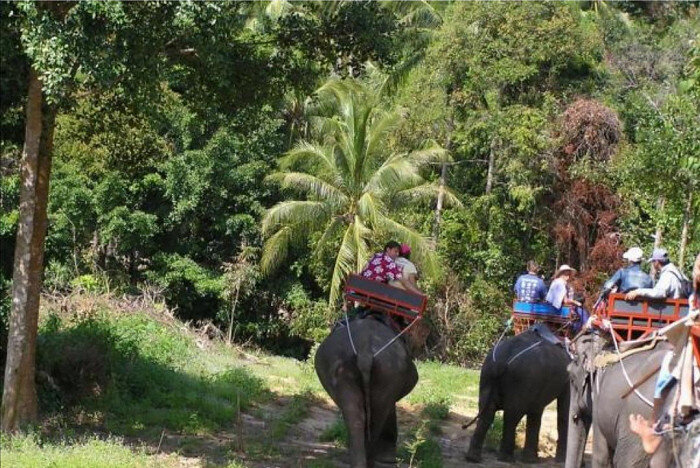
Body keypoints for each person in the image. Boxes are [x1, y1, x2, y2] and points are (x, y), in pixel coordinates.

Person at [629, 252, 700, 455]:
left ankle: (655, 423)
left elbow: (659, 293)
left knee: (670, 364)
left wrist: (639, 292)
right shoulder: (681, 279)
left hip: (687, 339)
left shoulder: (671, 277)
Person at [625, 248, 690, 300]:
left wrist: (638, 292)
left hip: (671, 310)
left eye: (652, 262)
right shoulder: (678, 272)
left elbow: (659, 293)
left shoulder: (668, 275)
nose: (652, 264)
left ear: (656, 262)